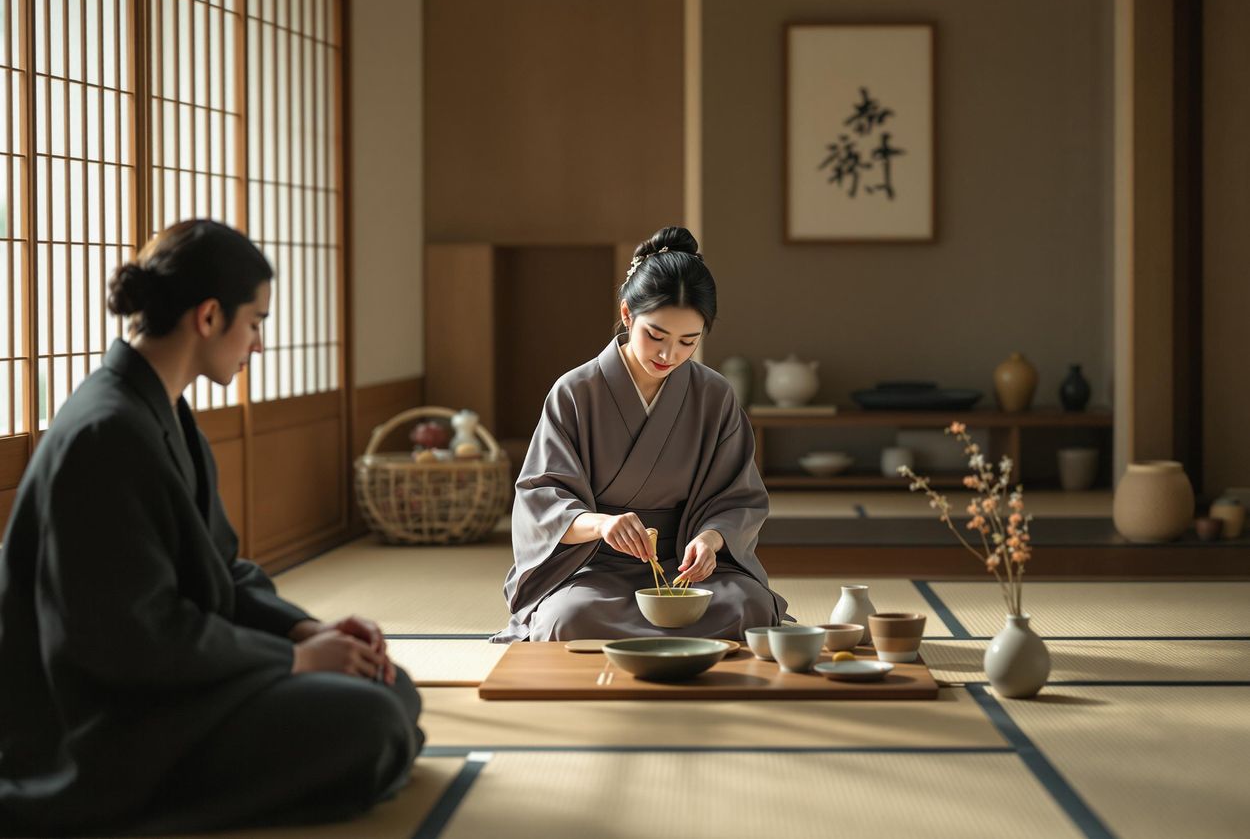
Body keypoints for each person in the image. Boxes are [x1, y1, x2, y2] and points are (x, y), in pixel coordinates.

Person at [0, 220, 422, 836]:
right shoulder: (105, 432)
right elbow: (132, 638)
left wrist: (310, 629)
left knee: (390, 687)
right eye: (255, 323)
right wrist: (295, 660)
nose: (257, 345)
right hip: (110, 717)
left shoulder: (161, 408)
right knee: (374, 722)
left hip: (184, 677)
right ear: (207, 317)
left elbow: (223, 570)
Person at [497, 226, 789, 643]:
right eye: (656, 336)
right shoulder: (577, 391)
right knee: (567, 619)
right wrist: (601, 525)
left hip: (685, 564)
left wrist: (710, 539)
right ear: (627, 315)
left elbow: (738, 496)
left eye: (689, 341)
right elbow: (541, 498)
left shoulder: (714, 395)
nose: (669, 355)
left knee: (750, 608)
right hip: (597, 566)